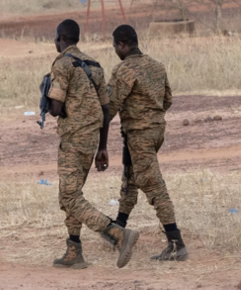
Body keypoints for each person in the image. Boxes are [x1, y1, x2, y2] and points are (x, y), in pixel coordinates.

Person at [45, 19, 139, 269]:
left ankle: (116, 234)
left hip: (73, 139)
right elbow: (106, 109)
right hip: (91, 139)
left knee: (70, 195)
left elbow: (55, 108)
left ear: (60, 38)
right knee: (70, 193)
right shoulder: (94, 65)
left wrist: (44, 96)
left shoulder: (62, 64)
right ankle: (73, 250)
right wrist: (103, 147)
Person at [107, 24, 188, 261]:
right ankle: (116, 231)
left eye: (114, 46)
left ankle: (176, 243)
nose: (115, 50)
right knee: (131, 180)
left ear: (122, 44)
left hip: (139, 135)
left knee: (153, 186)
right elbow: (168, 99)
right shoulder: (157, 66)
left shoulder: (124, 70)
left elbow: (109, 107)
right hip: (155, 132)